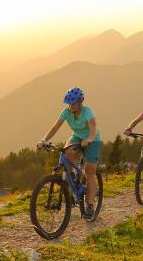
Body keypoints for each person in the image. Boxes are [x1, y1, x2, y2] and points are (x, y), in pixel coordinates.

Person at [36, 87, 101, 219]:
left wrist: (89, 139)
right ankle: (71, 179)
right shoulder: (66, 112)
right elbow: (55, 127)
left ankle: (89, 205)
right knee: (66, 153)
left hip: (93, 140)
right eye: (69, 103)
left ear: (80, 102)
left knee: (89, 172)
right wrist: (44, 140)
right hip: (77, 136)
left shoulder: (88, 112)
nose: (70, 106)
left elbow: (93, 128)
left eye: (73, 103)